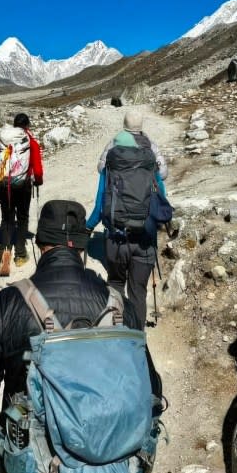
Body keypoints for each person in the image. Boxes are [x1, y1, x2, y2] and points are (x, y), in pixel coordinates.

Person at [0, 199, 161, 473]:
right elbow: (152, 389)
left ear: (40, 245)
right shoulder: (119, 305)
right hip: (114, 460)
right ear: (82, 248)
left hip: (37, 460)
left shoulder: (10, 302)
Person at [86, 109, 168, 328]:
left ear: (123, 124)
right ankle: (138, 338)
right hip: (145, 237)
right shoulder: (151, 151)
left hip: (116, 236)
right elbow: (161, 191)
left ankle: (115, 331)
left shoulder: (112, 152)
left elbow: (101, 197)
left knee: (115, 285)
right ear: (141, 125)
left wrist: (88, 226)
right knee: (138, 291)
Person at [0, 112, 43, 276]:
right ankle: (20, 254)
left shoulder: (2, 143)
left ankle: (4, 253)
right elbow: (37, 168)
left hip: (4, 186)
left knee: (6, 219)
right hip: (23, 186)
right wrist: (39, 180)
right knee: (22, 218)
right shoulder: (30, 142)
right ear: (27, 126)